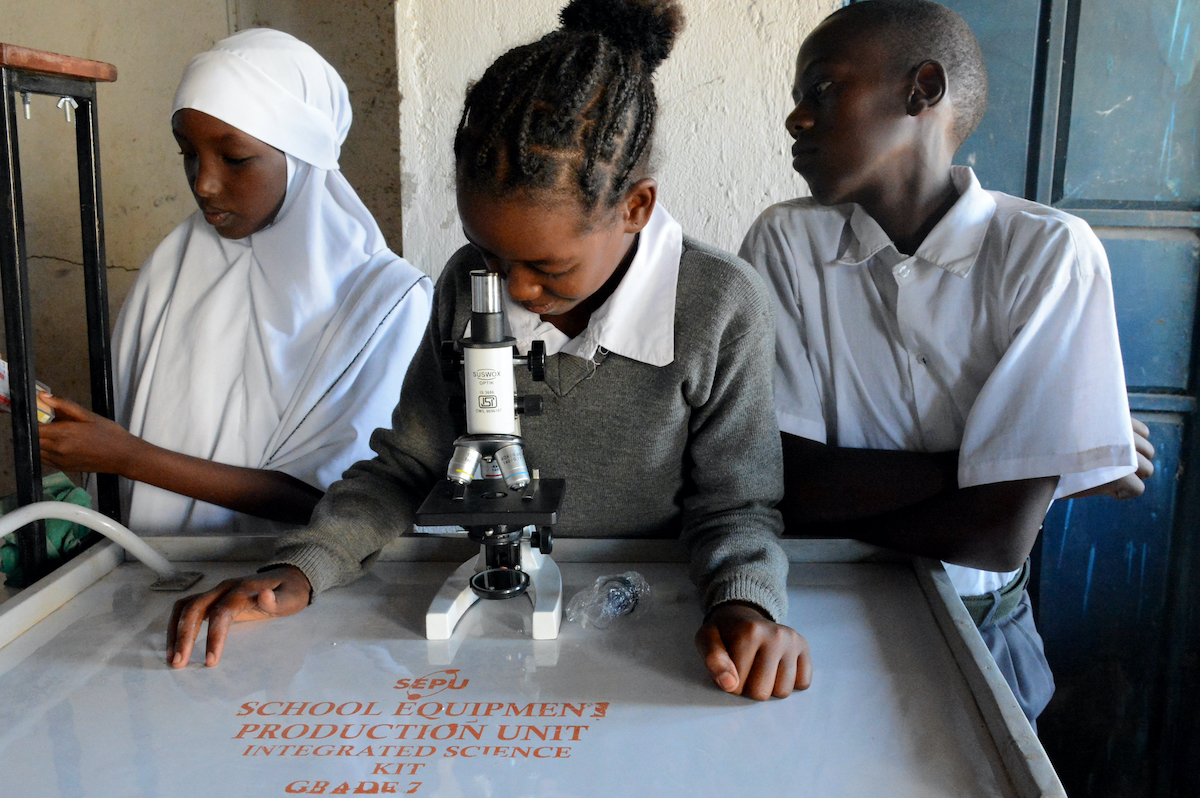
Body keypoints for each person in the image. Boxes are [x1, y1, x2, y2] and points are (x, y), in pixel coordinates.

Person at [165, 0, 812, 701]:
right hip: (495, 615)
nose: (513, 287)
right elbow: (407, 466)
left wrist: (744, 606)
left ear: (636, 207)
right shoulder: (469, 284)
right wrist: (302, 568)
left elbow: (737, 507)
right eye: (490, 254)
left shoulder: (720, 306)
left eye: (547, 268)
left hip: (655, 614)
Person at [739, 0, 1154, 724]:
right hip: (812, 623)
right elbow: (782, 486)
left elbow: (995, 539)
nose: (796, 119)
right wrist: (1028, 466)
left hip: (984, 627)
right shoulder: (787, 243)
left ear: (922, 89)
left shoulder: (1048, 252)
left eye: (824, 89)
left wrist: (1019, 490)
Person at [37, 29, 433, 536]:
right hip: (153, 573)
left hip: (299, 584)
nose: (204, 183)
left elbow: (346, 503)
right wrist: (85, 441)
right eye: (188, 153)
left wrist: (127, 456)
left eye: (235, 158)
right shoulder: (174, 266)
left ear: (300, 154)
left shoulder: (384, 301)